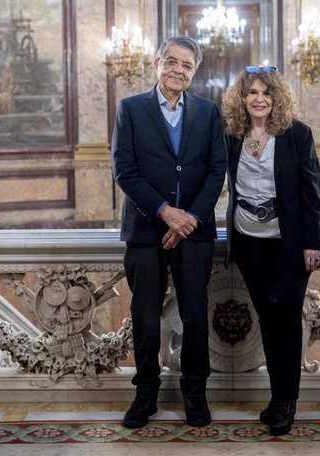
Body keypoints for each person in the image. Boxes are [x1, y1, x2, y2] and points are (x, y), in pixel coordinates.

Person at [111, 36, 227, 429]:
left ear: (194, 72)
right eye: (172, 61)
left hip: (194, 232)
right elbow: (124, 171)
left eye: (187, 65)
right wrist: (165, 213)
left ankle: (196, 394)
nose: (179, 70)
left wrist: (188, 218)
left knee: (195, 315)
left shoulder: (209, 112)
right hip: (145, 230)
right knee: (145, 317)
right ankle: (145, 395)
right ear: (156, 63)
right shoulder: (130, 109)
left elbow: (217, 171)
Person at [220, 66, 320, 436]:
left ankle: (286, 402)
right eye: (252, 93)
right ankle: (275, 396)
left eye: (266, 92)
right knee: (267, 317)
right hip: (248, 240)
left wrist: (313, 242)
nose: (259, 99)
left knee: (286, 319)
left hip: (290, 243)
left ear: (277, 97)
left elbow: (313, 192)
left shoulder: (297, 134)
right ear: (242, 99)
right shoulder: (233, 135)